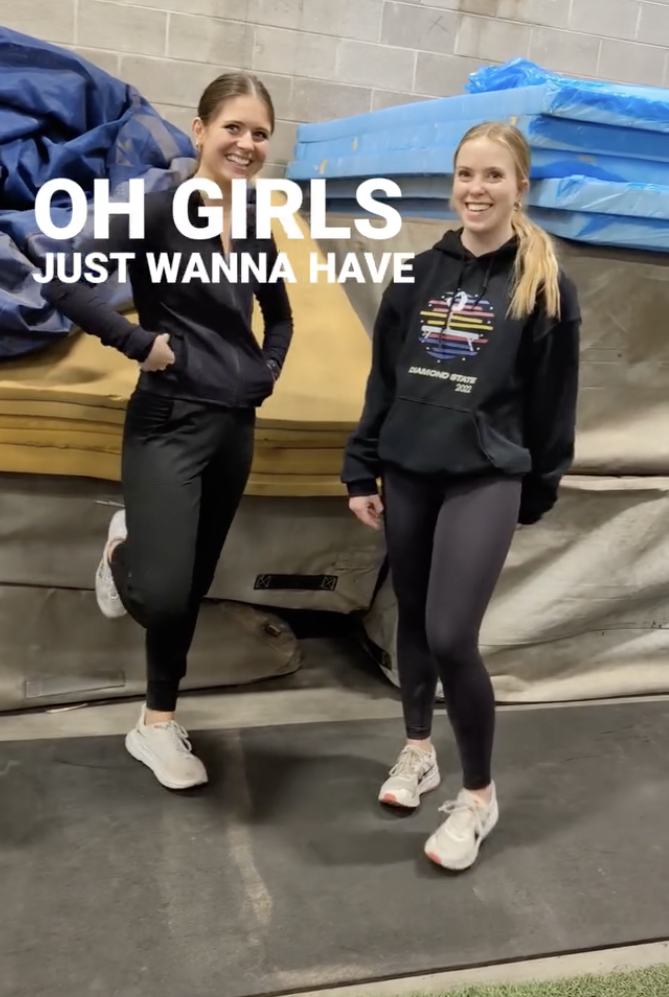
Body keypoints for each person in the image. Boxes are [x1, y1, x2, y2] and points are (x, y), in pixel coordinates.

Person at [42, 72, 293, 792]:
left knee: (195, 584)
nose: (246, 144)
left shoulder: (251, 224)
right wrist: (138, 344)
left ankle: (156, 722)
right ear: (201, 130)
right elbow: (64, 280)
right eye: (234, 128)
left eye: (260, 133)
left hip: (233, 426)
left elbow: (279, 316)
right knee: (164, 595)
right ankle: (124, 547)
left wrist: (266, 369)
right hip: (168, 422)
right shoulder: (157, 209)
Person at [342, 120, 580, 872]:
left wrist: (533, 492)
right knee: (410, 615)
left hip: (486, 478)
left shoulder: (544, 287)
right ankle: (418, 751)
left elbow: (553, 408)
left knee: (451, 634)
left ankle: (478, 795)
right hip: (410, 468)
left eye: (493, 177)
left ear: (521, 188)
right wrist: (362, 468)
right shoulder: (414, 275)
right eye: (465, 175)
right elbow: (383, 380)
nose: (476, 189)